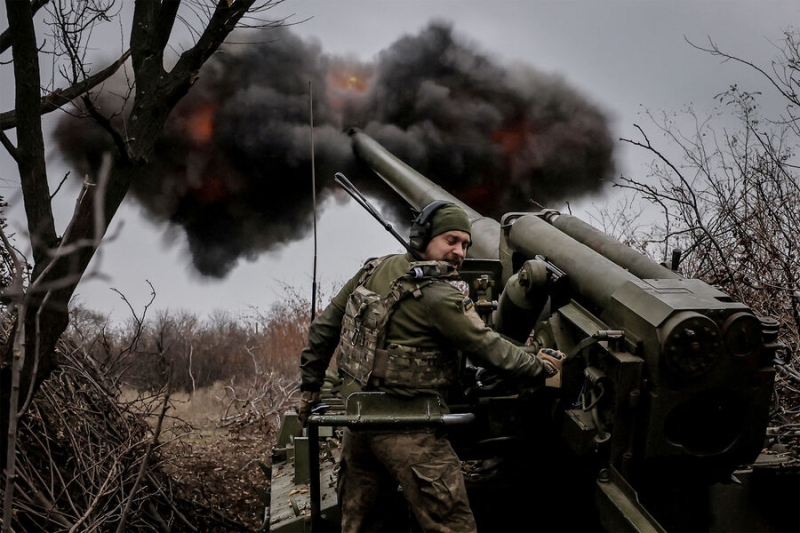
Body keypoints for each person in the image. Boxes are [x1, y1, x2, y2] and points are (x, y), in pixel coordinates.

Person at [297, 201, 565, 533]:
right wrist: (540, 367)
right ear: (422, 237)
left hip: (359, 425)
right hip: (411, 431)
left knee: (361, 525)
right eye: (451, 240)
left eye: (465, 244)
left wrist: (309, 388)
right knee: (453, 526)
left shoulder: (373, 269)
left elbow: (324, 328)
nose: (459, 252)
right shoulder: (439, 296)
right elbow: (488, 349)